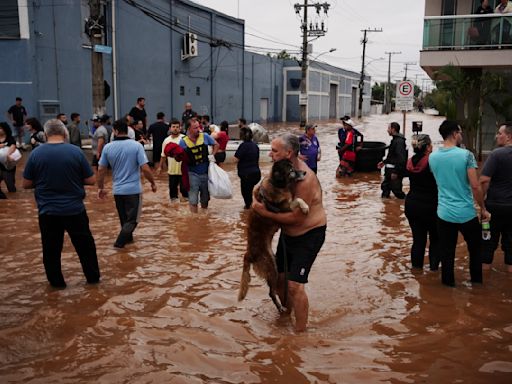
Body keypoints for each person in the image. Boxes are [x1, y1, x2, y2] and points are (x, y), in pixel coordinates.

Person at [252, 133, 326, 332]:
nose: (270, 155)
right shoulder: (280, 169)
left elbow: (296, 218)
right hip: (288, 235)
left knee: (294, 286)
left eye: (274, 151)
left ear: (289, 153)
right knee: (279, 279)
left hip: (309, 234)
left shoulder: (305, 179)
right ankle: (285, 315)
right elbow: (262, 187)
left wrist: (263, 211)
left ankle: (300, 334)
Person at [22, 119, 100, 288]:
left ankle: (57, 285)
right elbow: (92, 180)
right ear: (65, 133)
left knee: (51, 250)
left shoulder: (36, 154)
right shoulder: (76, 152)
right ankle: (93, 281)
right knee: (85, 248)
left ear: (46, 134)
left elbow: (26, 184)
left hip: (48, 212)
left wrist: (43, 181)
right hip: (75, 210)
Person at [429, 120, 489, 287]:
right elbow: (475, 186)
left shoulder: (432, 157)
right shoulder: (466, 155)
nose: (461, 135)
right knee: (475, 251)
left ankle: (448, 288)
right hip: (466, 213)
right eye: (460, 132)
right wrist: (483, 208)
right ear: (455, 134)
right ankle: (476, 286)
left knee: (447, 253)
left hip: (444, 213)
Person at [97, 119, 157, 248]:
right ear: (128, 131)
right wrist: (152, 183)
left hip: (117, 191)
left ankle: (128, 246)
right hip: (133, 191)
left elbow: (101, 170)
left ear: (115, 131)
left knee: (124, 221)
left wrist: (100, 188)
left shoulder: (108, 147)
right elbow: (145, 168)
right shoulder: (136, 146)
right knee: (132, 221)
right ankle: (118, 245)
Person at [479, 122, 512, 272]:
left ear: (509, 136)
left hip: (494, 208)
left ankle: (480, 291)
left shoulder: (496, 154)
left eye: (500, 133)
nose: (497, 136)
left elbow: (484, 180)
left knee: (487, 245)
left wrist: (482, 206)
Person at [404, 134, 439, 270]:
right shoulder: (433, 162)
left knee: (418, 241)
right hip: (431, 206)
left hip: (412, 204)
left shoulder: (410, 162)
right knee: (435, 240)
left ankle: (416, 272)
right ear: (428, 147)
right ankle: (433, 271)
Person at [179, 117, 219, 213]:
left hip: (205, 173)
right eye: (195, 128)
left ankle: (204, 217)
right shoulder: (183, 142)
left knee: (205, 199)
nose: (198, 130)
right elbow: (179, 158)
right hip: (192, 173)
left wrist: (212, 155)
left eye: (199, 127)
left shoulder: (205, 136)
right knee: (193, 199)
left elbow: (216, 144)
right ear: (189, 129)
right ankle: (194, 219)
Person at [158, 119, 188, 202]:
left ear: (180, 128)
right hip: (172, 171)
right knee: (173, 194)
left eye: (177, 127)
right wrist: (160, 167)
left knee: (185, 192)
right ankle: (174, 210)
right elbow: (163, 155)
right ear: (170, 128)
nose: (175, 128)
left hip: (184, 171)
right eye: (173, 127)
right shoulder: (166, 141)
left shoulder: (185, 139)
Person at [378, 122, 407, 199]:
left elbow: (401, 158)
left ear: (393, 129)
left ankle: (408, 202)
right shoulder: (395, 140)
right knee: (385, 189)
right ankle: (386, 209)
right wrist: (384, 162)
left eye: (389, 128)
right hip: (389, 171)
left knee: (397, 192)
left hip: (394, 171)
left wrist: (396, 172)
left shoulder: (399, 142)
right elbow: (392, 156)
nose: (387, 130)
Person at [234, 127, 261, 209]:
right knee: (250, 192)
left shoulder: (243, 146)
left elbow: (235, 159)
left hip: (247, 175)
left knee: (246, 195)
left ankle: (250, 212)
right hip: (256, 174)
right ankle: (254, 207)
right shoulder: (255, 146)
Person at [0, 122, 18, 198]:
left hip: (8, 165)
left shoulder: (10, 138)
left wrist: (8, 154)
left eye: (1, 128)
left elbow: (13, 146)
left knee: (11, 187)